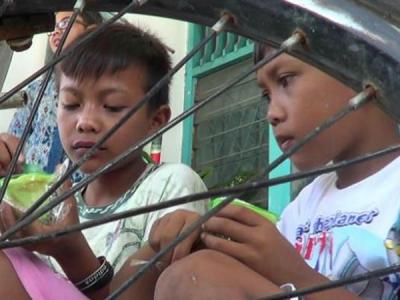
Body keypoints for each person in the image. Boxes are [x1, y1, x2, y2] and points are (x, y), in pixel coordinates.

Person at [150, 43, 400, 300]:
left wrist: (296, 274)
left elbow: (287, 275)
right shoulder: (307, 203)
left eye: (286, 80)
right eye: (266, 96)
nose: (271, 114)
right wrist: (206, 242)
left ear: (363, 67)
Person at [0, 22, 208, 299]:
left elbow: (167, 288)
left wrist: (71, 251)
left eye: (111, 106)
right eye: (71, 104)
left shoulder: (171, 185)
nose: (85, 122)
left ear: (156, 120)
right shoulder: (52, 195)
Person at [0, 11, 104, 176]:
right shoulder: (35, 90)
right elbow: (14, 144)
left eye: (65, 23)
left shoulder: (105, 87)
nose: (56, 31)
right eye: (52, 26)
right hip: (32, 190)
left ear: (92, 30)